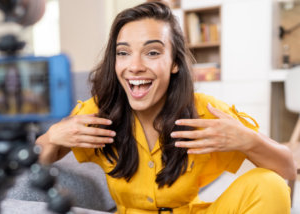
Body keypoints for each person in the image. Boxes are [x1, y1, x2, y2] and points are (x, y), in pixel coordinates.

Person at [36, 2, 296, 213]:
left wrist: (248, 140)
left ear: (174, 63)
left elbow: (286, 170)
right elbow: (31, 169)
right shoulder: (97, 113)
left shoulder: (206, 112)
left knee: (268, 184)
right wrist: (52, 137)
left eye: (152, 52)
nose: (134, 66)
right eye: (123, 53)